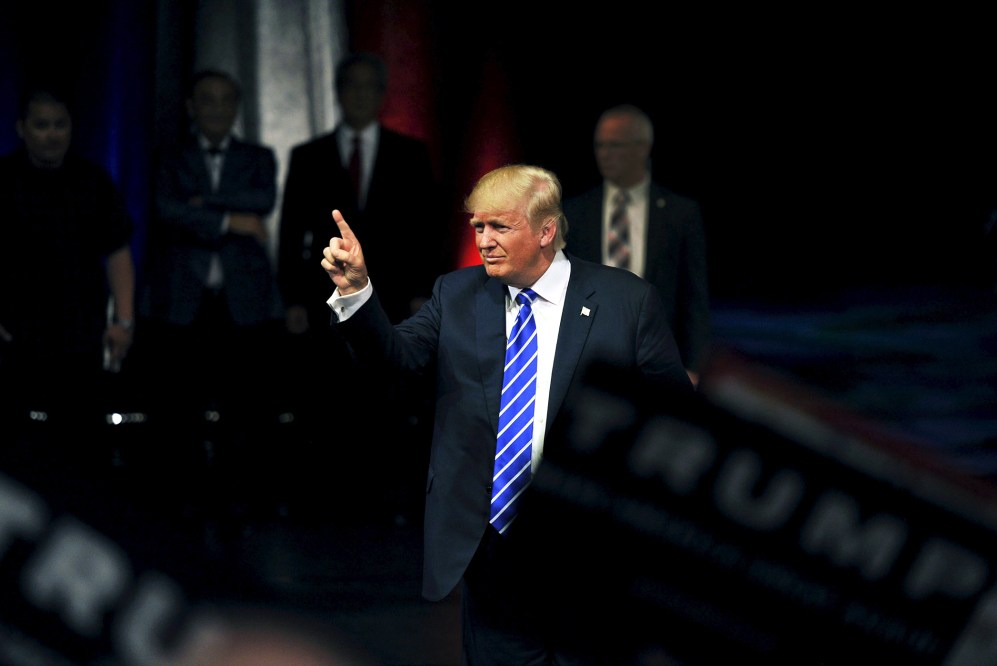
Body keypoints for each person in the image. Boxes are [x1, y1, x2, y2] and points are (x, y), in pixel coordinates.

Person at [320, 164, 694, 663]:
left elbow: (675, 423)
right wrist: (356, 293)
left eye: (500, 227)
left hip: (588, 550)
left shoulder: (624, 300)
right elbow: (395, 359)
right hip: (490, 543)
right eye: (478, 227)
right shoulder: (455, 294)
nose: (485, 241)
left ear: (546, 231)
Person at [276, 51, 442, 523]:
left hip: (392, 297)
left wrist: (421, 292)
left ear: (381, 94)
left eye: (370, 87)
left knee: (388, 396)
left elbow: (424, 230)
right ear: (339, 91)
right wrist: (291, 297)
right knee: (329, 396)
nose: (360, 96)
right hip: (324, 296)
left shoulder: (410, 153)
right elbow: (292, 233)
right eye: (352, 86)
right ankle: (330, 499)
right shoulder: (308, 155)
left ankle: (386, 499)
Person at [138, 69, 283, 534]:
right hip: (183, 299)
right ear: (191, 108)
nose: (217, 108)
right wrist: (228, 221)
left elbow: (261, 200)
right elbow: (165, 208)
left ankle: (239, 501)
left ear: (236, 107)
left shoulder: (258, 156)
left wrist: (202, 205)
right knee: (179, 408)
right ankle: (182, 501)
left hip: (244, 302)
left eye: (225, 100)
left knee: (245, 409)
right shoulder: (169, 156)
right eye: (207, 100)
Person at [0, 84, 135, 456]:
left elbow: (118, 250)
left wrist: (123, 320)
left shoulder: (92, 180)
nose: (52, 134)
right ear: (21, 128)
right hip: (15, 330)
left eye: (60, 124)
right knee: (16, 437)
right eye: (42, 125)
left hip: (80, 328)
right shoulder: (4, 180)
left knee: (79, 438)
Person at [563, 104, 711, 386]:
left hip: (658, 360)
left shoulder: (680, 214)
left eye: (615, 145)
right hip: (588, 360)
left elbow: (694, 298)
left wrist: (693, 366)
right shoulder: (574, 213)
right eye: (600, 145)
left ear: (643, 148)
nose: (604, 154)